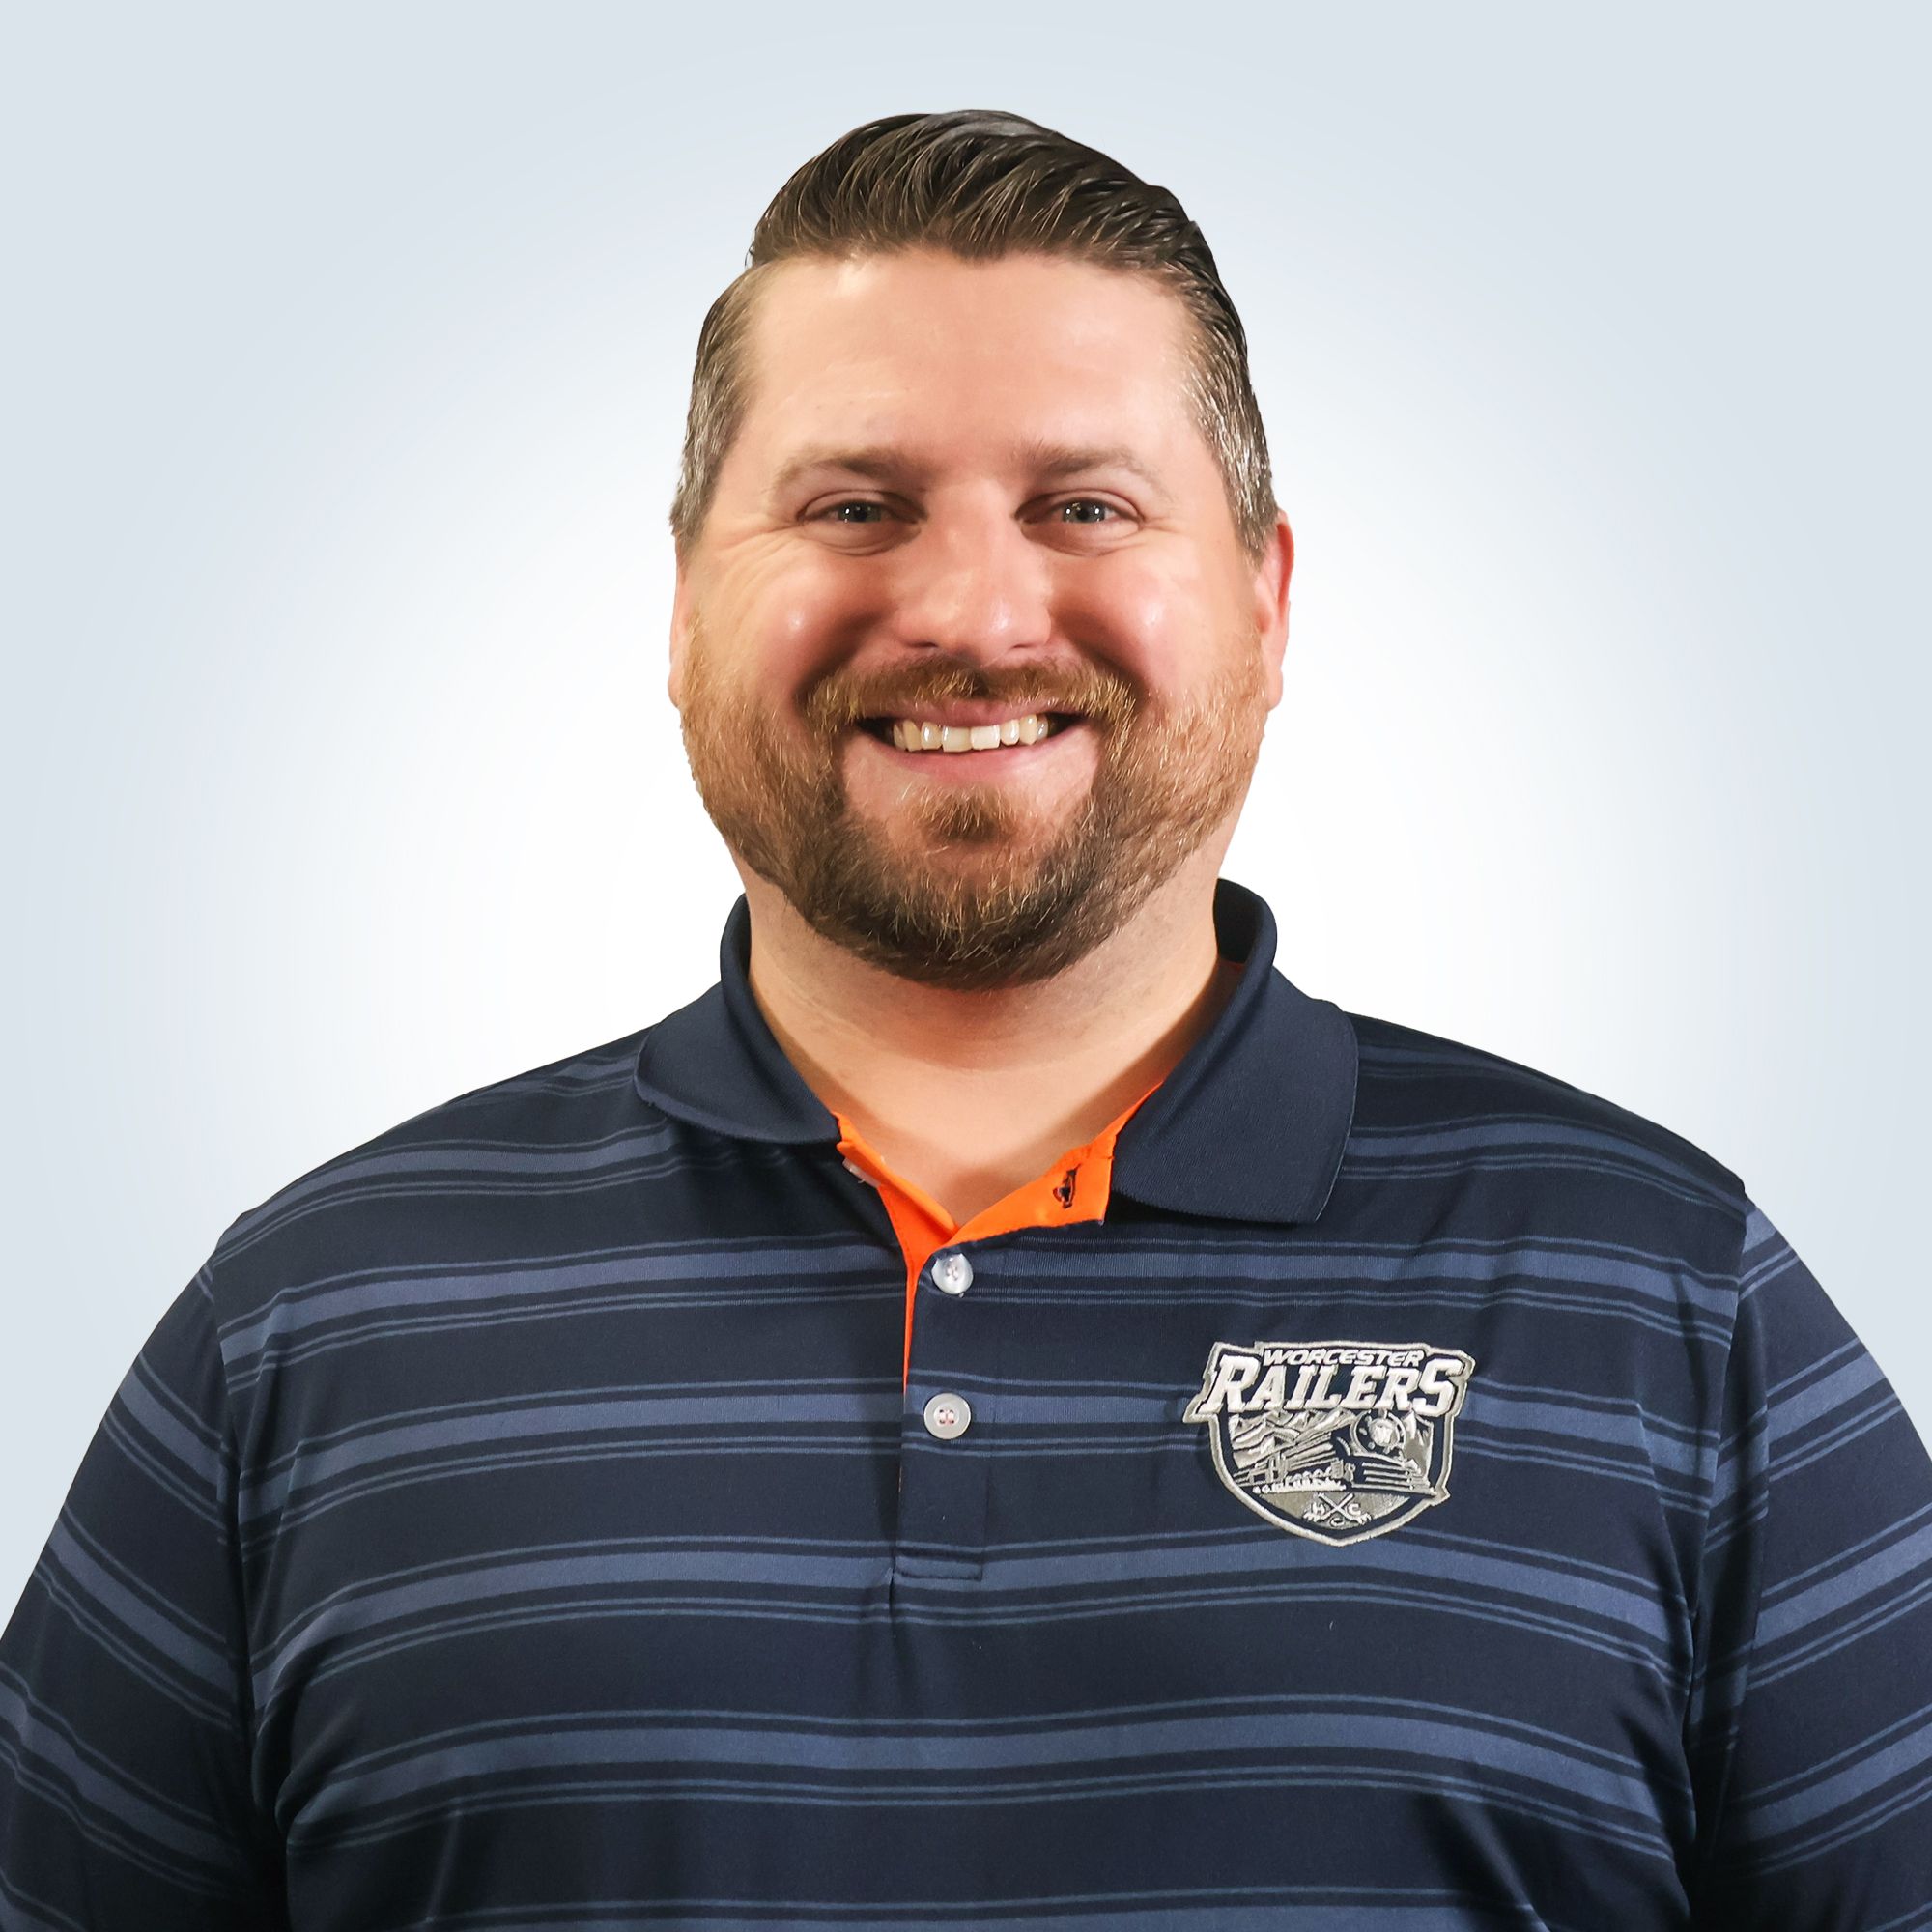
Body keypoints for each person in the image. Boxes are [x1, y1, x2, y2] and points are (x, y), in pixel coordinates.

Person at [2, 107, 1927, 1932]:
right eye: (856, 505)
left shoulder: (1668, 1297)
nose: (974, 615)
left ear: (1265, 603)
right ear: (682, 604)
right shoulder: (310, 1321)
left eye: (1084, 505)